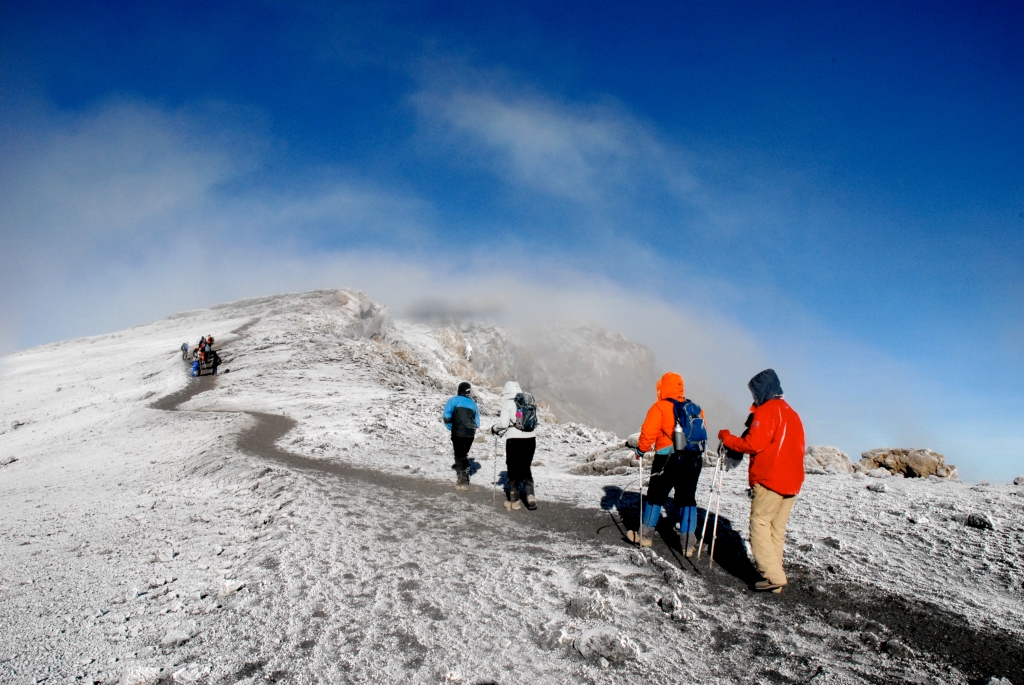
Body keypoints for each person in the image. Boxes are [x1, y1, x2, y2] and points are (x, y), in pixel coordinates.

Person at [718, 368, 805, 593]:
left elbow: (753, 444)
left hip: (770, 478)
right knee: (777, 528)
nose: (754, 397)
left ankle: (774, 576)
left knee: (760, 523)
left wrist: (727, 438)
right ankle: (774, 577)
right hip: (793, 480)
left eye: (755, 392)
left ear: (763, 390)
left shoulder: (767, 410)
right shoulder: (792, 413)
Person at [627, 372, 706, 552]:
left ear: (663, 387)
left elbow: (649, 432)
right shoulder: (695, 408)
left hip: (667, 458)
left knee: (656, 495)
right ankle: (688, 544)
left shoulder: (661, 407)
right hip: (693, 459)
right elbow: (702, 431)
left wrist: (641, 450)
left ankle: (645, 536)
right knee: (687, 499)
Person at [491, 380, 538, 510]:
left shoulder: (508, 403)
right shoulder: (528, 402)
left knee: (513, 468)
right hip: (531, 439)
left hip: (514, 440)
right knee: (526, 466)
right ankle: (530, 495)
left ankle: (515, 500)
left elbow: (503, 424)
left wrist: (494, 428)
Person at [442, 382, 480, 490]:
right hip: (470, 434)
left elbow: (446, 416)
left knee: (459, 455)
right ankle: (465, 475)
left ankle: (462, 480)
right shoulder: (473, 404)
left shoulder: (453, 400)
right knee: (464, 453)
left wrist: (451, 427)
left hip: (457, 432)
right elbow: (477, 423)